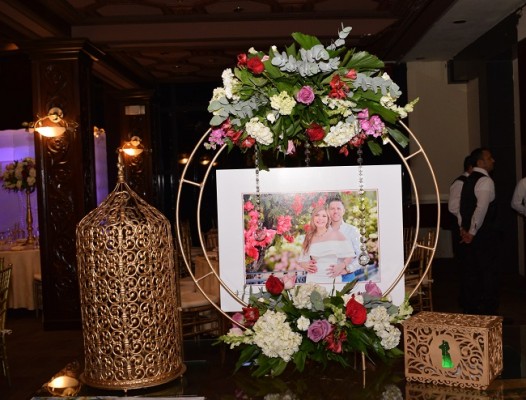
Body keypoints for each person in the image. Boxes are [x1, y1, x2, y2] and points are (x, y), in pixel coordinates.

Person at [459, 147, 499, 315]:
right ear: (480, 162)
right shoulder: (485, 181)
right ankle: (487, 312)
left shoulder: (467, 179)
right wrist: (472, 232)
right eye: (490, 158)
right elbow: (481, 208)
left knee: (472, 272)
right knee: (486, 273)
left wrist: (463, 228)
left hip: (471, 234)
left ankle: (472, 309)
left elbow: (461, 208)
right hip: (483, 236)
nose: (493, 161)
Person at [299, 205, 355, 284]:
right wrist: (305, 265)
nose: (320, 218)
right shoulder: (309, 236)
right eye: (317, 215)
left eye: (324, 216)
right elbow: (302, 260)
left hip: (332, 277)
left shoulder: (336, 234)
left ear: (328, 219)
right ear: (313, 218)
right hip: (313, 278)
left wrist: (342, 265)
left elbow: (350, 254)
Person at [327, 197, 362, 282]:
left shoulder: (352, 231)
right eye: (332, 209)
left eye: (338, 208)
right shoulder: (323, 231)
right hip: (326, 277)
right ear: (328, 211)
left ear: (343, 211)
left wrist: (347, 269)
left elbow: (362, 257)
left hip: (347, 277)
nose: (335, 211)